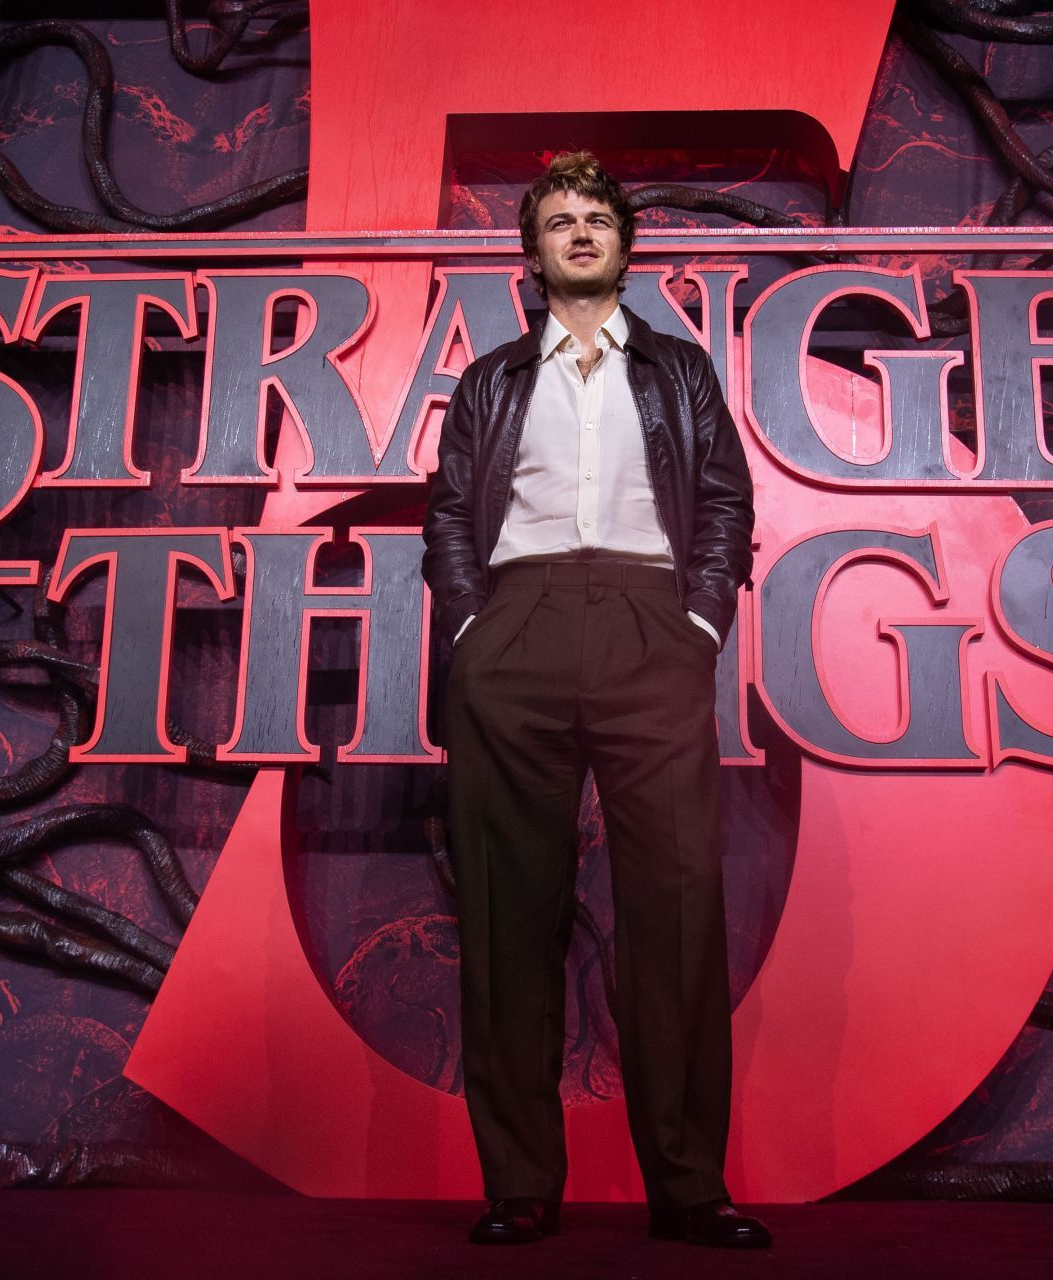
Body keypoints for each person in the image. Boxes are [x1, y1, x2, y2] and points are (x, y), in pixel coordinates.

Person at [421, 152, 764, 1249]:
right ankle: (520, 1182)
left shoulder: (677, 369)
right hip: (513, 627)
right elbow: (446, 514)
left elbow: (722, 497)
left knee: (673, 910)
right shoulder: (491, 379)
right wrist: (473, 629)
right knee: (506, 912)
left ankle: (689, 1185)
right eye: (559, 221)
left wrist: (699, 621)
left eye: (597, 219)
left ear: (624, 245)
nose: (579, 234)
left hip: (646, 619)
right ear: (532, 254)